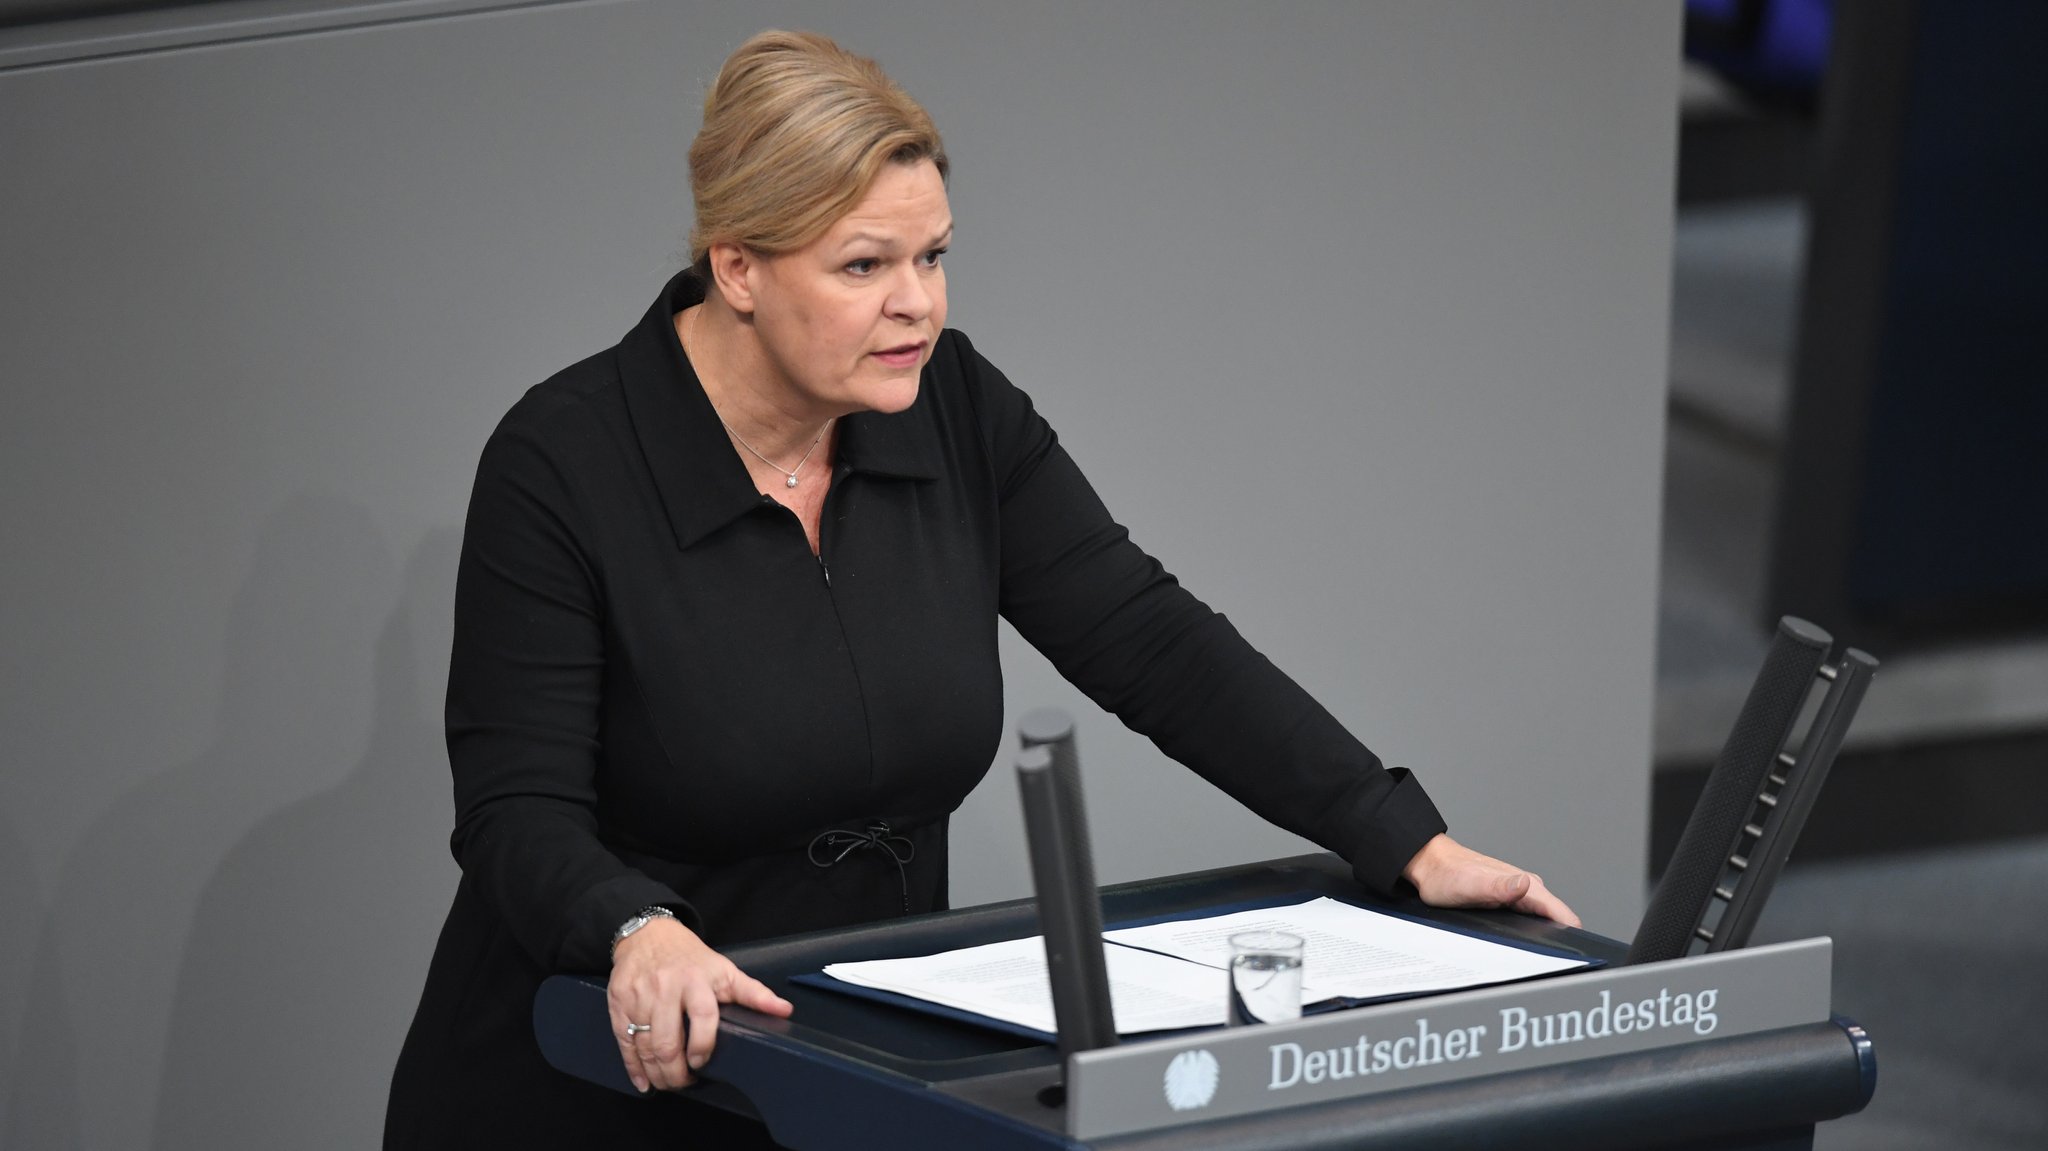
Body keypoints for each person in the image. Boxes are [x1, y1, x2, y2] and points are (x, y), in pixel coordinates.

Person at [383, 28, 1578, 1150]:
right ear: (736, 268)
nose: (918, 302)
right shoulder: (566, 458)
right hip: (590, 1086)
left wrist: (1397, 832)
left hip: (844, 1067)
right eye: (864, 264)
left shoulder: (947, 403)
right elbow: (514, 809)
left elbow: (1146, 634)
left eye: (933, 254)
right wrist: (635, 927)